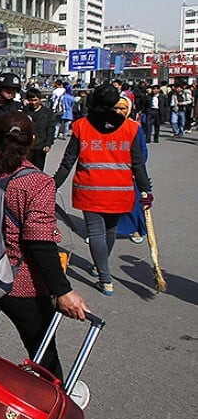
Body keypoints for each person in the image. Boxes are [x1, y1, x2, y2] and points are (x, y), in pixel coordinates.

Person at [0, 112, 91, 410]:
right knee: (42, 348)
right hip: (22, 283)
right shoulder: (37, 183)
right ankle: (56, 411)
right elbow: (39, 242)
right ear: (31, 141)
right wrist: (63, 290)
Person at [53, 83, 153, 296]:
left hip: (89, 189)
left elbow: (67, 161)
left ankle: (105, 278)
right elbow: (138, 164)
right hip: (120, 190)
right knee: (110, 230)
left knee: (96, 232)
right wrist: (145, 189)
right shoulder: (131, 128)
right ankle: (102, 268)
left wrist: (51, 185)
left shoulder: (81, 126)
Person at [112, 96, 149, 244]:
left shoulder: (134, 127)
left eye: (122, 108)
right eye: (115, 108)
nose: (118, 111)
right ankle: (104, 232)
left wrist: (135, 171)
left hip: (129, 173)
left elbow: (142, 152)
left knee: (133, 203)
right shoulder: (105, 126)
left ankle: (136, 230)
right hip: (111, 172)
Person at [23, 88, 57, 170]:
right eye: (31, 100)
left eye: (35, 100)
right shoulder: (24, 111)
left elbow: (51, 129)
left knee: (38, 168)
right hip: (26, 145)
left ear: (40, 99)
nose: (33, 103)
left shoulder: (48, 113)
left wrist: (48, 144)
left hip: (40, 145)